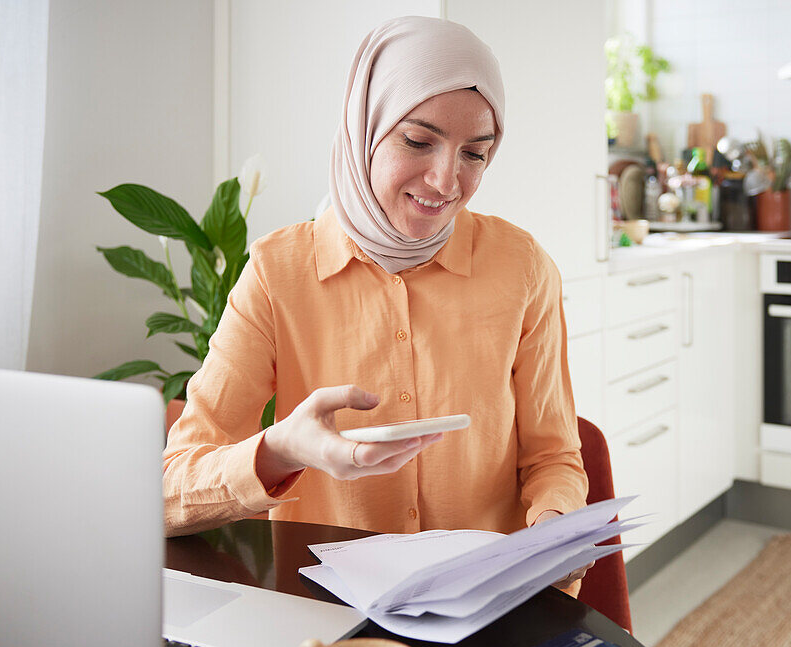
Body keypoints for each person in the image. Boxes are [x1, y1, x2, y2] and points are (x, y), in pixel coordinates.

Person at [163, 16, 589, 590]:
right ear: (365, 126)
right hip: (326, 616)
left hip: (486, 609)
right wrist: (280, 448)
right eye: (418, 141)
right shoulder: (275, 273)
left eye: (475, 154)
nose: (446, 180)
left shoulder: (522, 267)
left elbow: (553, 458)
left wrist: (554, 527)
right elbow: (169, 490)